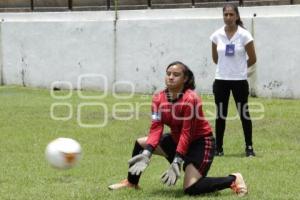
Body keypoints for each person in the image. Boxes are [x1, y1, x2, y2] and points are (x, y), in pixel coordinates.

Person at [108, 61, 248, 197]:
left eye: (176, 74)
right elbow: (156, 128)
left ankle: (233, 179)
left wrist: (177, 161)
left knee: (191, 188)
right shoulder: (158, 98)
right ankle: (131, 183)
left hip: (200, 143)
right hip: (177, 140)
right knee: (141, 144)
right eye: (168, 73)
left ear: (185, 78)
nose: (170, 77)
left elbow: (187, 133)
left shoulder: (191, 99)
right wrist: (147, 153)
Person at [210, 4, 257, 157]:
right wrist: (226, 68)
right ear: (223, 16)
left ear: (237, 16)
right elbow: (215, 58)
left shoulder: (244, 35)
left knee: (244, 113)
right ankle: (219, 148)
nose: (228, 18)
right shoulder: (216, 35)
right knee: (220, 115)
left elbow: (253, 58)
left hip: (239, 81)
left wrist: (240, 69)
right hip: (221, 80)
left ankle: (249, 147)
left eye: (231, 14)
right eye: (226, 15)